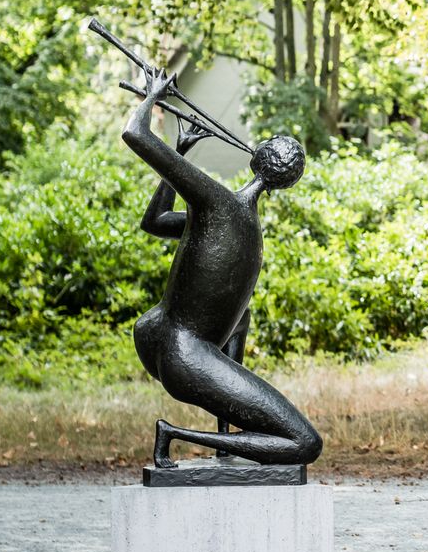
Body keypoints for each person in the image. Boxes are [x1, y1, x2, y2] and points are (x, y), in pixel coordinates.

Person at [124, 67, 322, 468]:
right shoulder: (244, 230)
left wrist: (155, 104)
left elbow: (155, 220)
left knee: (242, 317)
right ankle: (174, 434)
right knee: (305, 444)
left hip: (157, 337)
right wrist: (154, 99)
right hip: (184, 355)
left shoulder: (224, 214)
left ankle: (218, 443)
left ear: (256, 159)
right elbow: (136, 136)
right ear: (286, 183)